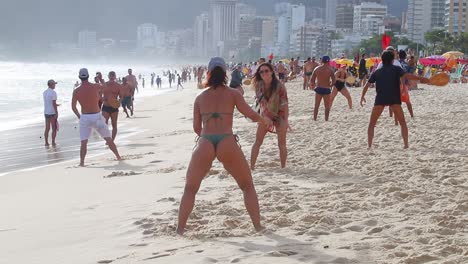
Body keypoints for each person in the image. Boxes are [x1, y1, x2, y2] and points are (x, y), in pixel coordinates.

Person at [177, 57, 270, 235]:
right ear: (225, 72)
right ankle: (258, 226)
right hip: (227, 140)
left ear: (209, 73)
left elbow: (197, 128)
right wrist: (263, 120)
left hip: (205, 141)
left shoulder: (200, 97)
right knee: (247, 186)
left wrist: (207, 135)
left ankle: (180, 229)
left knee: (190, 189)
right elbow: (249, 113)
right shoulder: (233, 93)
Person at [360, 51, 429, 149]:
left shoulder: (377, 72)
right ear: (393, 60)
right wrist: (422, 79)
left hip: (380, 99)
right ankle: (406, 144)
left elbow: (366, 85)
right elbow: (408, 76)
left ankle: (369, 145)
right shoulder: (396, 69)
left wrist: (362, 96)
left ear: (382, 60)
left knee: (372, 123)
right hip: (394, 98)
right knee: (403, 122)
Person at [71, 68, 121, 166]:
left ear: (79, 77)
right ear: (88, 76)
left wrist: (79, 116)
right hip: (97, 116)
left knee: (84, 142)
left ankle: (82, 162)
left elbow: (73, 107)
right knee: (108, 139)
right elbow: (105, 88)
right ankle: (118, 157)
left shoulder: (76, 91)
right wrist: (101, 78)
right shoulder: (95, 86)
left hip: (85, 117)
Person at [250, 62, 290, 170]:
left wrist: (286, 121)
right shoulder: (259, 85)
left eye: (266, 71)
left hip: (279, 115)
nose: (264, 73)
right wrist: (266, 117)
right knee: (258, 141)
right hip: (265, 116)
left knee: (281, 144)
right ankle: (252, 167)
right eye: (261, 72)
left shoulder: (280, 86)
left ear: (272, 72)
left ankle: (283, 167)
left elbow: (285, 104)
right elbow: (261, 103)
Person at [309, 56, 335, 121]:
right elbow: (334, 81)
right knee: (327, 106)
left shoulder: (317, 69)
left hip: (319, 88)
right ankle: (326, 119)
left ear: (322, 61)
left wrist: (313, 86)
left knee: (316, 106)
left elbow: (312, 80)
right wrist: (330, 85)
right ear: (328, 61)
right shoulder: (330, 69)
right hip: (326, 89)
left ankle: (315, 119)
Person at [101, 71, 122, 141]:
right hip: (105, 106)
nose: (112, 77)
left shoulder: (118, 86)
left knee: (114, 125)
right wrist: (103, 98)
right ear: (108, 76)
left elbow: (121, 96)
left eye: (113, 76)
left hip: (114, 107)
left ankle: (112, 140)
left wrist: (119, 102)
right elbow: (98, 94)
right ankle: (108, 139)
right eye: (111, 76)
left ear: (115, 77)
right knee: (104, 125)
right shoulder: (104, 85)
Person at [43, 79, 59, 146]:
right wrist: (56, 112)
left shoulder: (44, 92)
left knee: (47, 128)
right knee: (54, 128)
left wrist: (56, 105)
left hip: (46, 112)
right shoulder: (53, 92)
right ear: (50, 85)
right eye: (54, 84)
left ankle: (46, 142)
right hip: (52, 112)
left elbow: (48, 102)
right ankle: (53, 142)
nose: (55, 85)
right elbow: (53, 103)